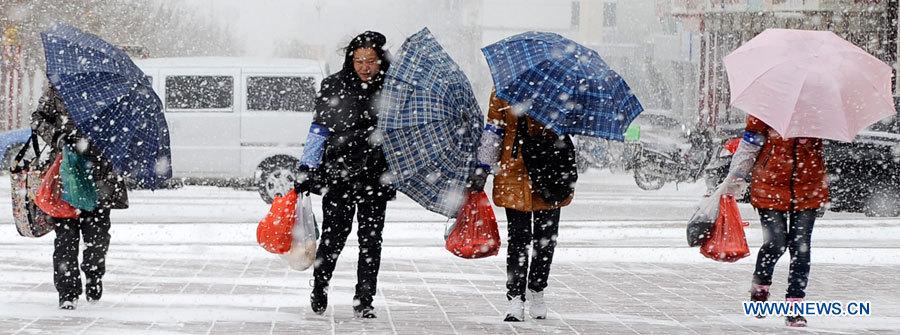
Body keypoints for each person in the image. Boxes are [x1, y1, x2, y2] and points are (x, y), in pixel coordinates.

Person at [295, 31, 395, 319]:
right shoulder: (334, 86)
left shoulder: (392, 90)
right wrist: (306, 167)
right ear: (351, 59)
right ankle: (320, 284)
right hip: (340, 174)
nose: (365, 66)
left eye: (371, 61)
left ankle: (364, 299)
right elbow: (319, 130)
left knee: (371, 240)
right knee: (334, 237)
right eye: (360, 60)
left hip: (377, 175)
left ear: (380, 61)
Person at [471, 92, 573, 322]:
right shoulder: (502, 93)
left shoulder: (559, 90)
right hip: (514, 173)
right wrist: (484, 165)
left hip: (549, 172)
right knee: (518, 238)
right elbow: (494, 132)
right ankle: (515, 297)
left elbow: (569, 128)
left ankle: (537, 289)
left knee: (545, 239)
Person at [724, 115, 828, 327]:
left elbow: (821, 150)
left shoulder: (819, 109)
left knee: (801, 248)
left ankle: (794, 307)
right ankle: (760, 286)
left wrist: (810, 137)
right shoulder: (769, 106)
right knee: (776, 243)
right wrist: (734, 177)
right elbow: (749, 145)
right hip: (769, 187)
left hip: (808, 189)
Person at [31, 86, 129, 310]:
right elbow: (37, 119)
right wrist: (57, 138)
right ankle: (68, 292)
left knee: (97, 238)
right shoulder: (58, 89)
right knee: (66, 239)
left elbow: (122, 129)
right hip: (66, 176)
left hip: (100, 178)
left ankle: (94, 276)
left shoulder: (111, 92)